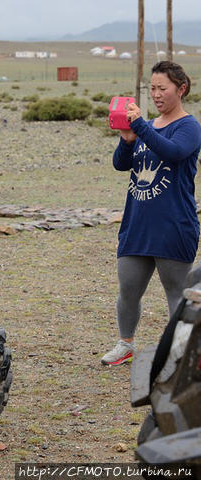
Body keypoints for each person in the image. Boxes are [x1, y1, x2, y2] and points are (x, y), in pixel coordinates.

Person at [102, 61, 201, 366]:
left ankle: (181, 353)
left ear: (180, 89)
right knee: (128, 291)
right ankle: (125, 344)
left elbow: (173, 152)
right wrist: (127, 139)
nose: (156, 95)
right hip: (138, 223)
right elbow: (121, 164)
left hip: (174, 224)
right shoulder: (147, 128)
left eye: (163, 88)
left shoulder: (188, 126)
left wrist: (141, 126)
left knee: (176, 293)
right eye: (153, 89)